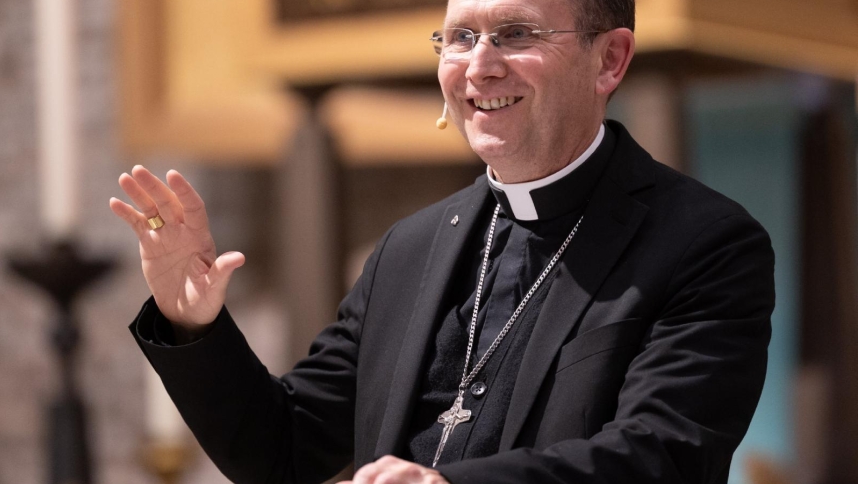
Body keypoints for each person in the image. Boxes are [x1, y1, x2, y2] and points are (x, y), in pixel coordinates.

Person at [110, 0, 775, 482]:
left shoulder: (703, 242)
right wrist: (192, 322)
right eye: (459, 37)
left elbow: (662, 455)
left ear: (610, 59)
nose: (479, 68)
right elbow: (282, 451)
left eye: (515, 34)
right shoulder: (410, 247)